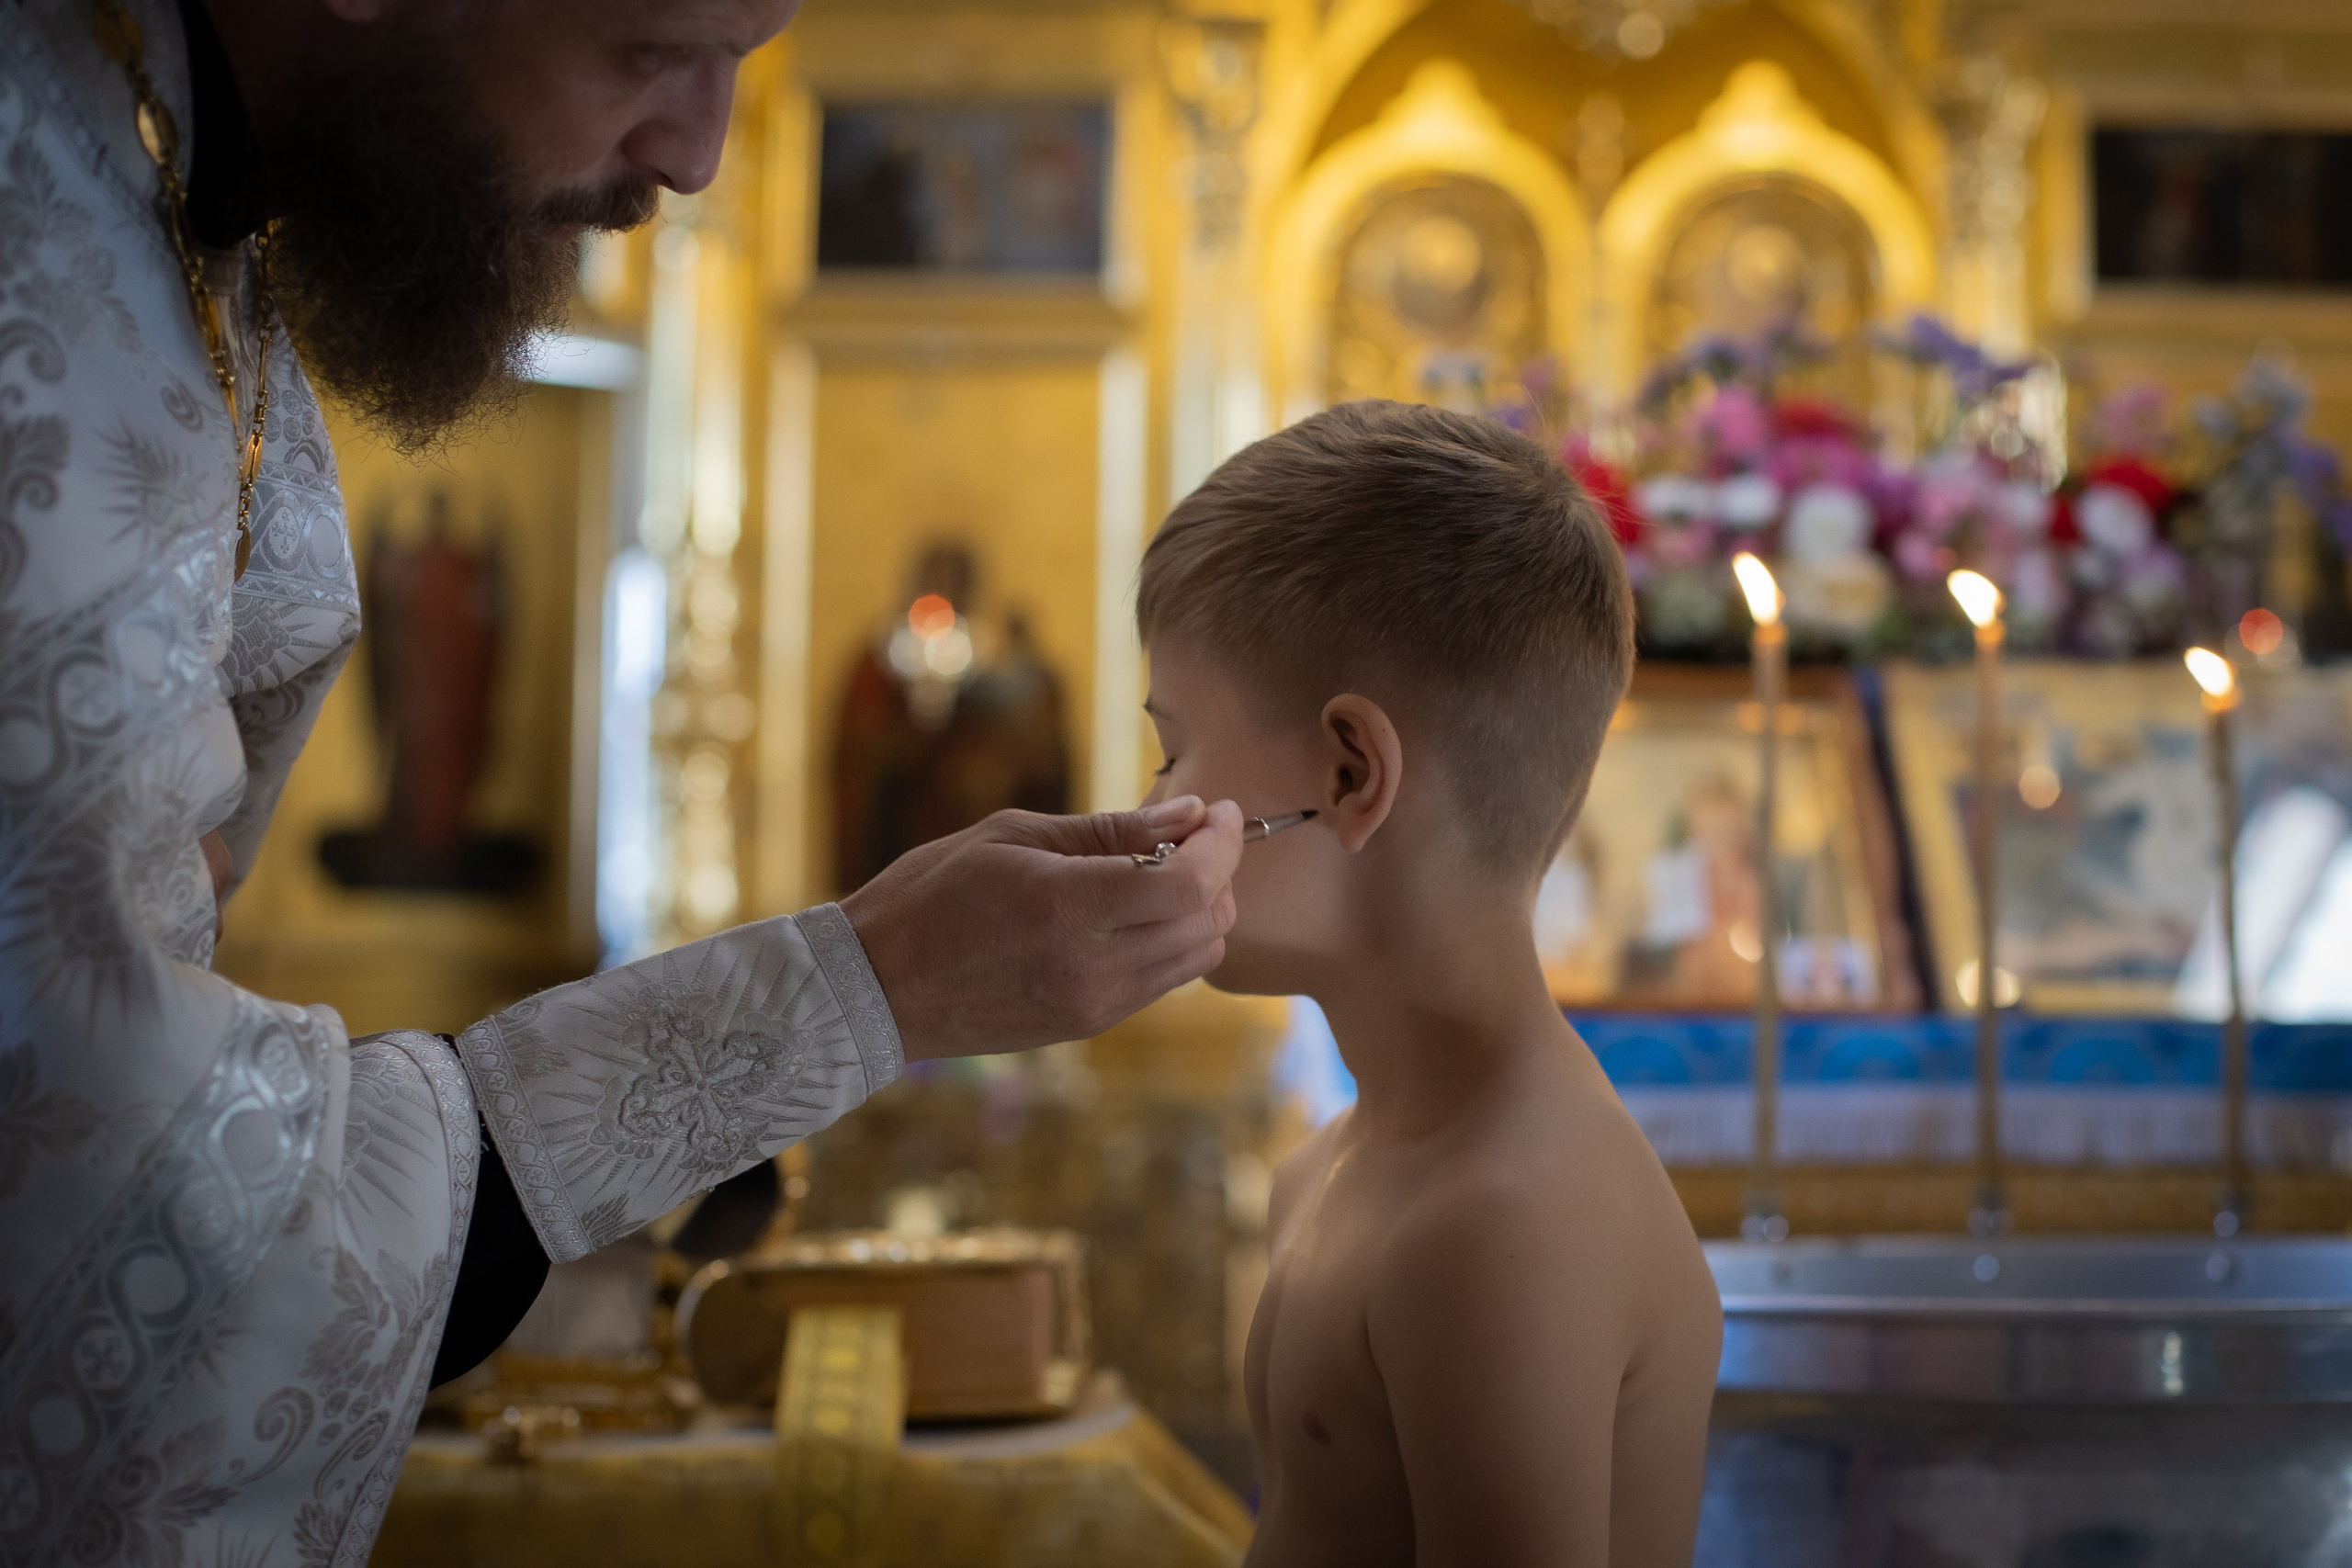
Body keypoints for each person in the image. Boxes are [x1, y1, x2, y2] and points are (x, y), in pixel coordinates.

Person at [0, 0, 1239, 1561]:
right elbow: (137, 1252)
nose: (701, 155)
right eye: (653, 53)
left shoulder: (151, 173)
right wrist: (859, 986)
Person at [1136, 400, 1723, 1567]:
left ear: (1352, 773)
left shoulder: (1503, 1221)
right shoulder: (1332, 1166)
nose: (1152, 813)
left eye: (1171, 749)